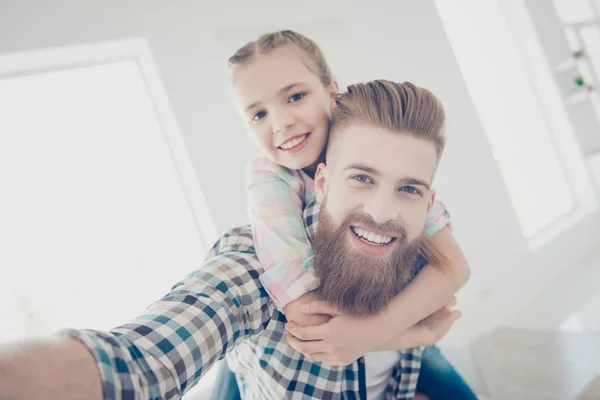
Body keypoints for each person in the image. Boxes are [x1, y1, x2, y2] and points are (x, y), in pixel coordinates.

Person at [0, 79, 459, 399]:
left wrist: (391, 340)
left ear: (429, 201)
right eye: (361, 178)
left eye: (408, 189)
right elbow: (139, 364)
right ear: (320, 182)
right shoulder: (258, 264)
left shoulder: (425, 243)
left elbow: (448, 284)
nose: (382, 211)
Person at [214, 30, 475, 399]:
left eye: (296, 96)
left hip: (383, 328)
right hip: (268, 352)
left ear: (331, 92)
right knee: (236, 367)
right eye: (258, 113)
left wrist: (373, 333)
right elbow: (307, 315)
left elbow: (453, 267)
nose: (280, 122)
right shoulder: (268, 177)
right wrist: (419, 332)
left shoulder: (373, 142)